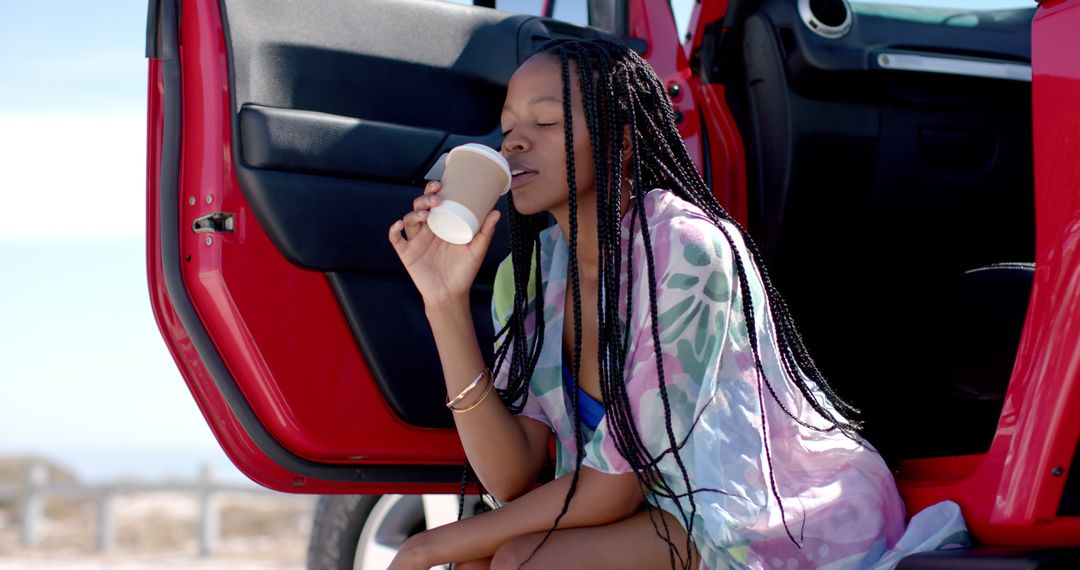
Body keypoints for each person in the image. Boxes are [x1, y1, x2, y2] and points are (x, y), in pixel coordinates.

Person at [386, 38, 964, 570]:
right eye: (508, 125)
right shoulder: (530, 275)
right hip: (657, 510)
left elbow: (615, 487)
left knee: (517, 561)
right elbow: (511, 475)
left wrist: (424, 546)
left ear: (621, 140)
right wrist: (444, 301)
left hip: (767, 513)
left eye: (546, 121)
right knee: (481, 561)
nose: (513, 142)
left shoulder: (686, 251)